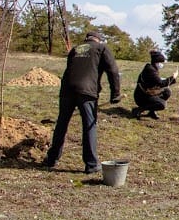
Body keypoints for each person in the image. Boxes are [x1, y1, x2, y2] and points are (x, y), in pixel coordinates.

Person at [42, 31, 121, 174]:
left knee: (62, 123)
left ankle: (51, 159)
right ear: (98, 40)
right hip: (86, 91)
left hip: (67, 89)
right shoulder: (101, 48)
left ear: (86, 39)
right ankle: (91, 164)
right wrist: (115, 94)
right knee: (89, 125)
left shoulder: (76, 48)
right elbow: (113, 71)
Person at [132, 50, 177, 119]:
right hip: (141, 97)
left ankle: (151, 112)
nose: (162, 64)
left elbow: (158, 82)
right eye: (161, 62)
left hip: (147, 94)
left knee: (167, 92)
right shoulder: (150, 70)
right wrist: (173, 77)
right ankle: (138, 110)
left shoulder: (152, 68)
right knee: (162, 104)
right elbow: (161, 83)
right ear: (157, 62)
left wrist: (171, 79)